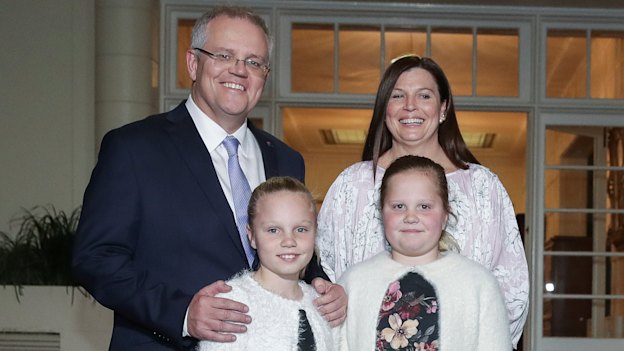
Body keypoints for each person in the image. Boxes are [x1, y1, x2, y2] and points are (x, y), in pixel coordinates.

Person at [72, 6, 345, 351]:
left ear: (264, 76)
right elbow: (95, 257)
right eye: (224, 55)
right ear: (192, 64)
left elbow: (290, 246)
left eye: (254, 62)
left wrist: (322, 284)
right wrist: (182, 314)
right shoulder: (134, 148)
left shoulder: (286, 159)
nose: (239, 70)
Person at [317, 55, 528, 347]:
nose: (410, 106)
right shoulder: (351, 186)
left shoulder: (483, 187)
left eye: (424, 95)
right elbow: (324, 278)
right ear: (384, 108)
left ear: (443, 108)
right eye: (398, 95)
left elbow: (511, 291)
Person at [338, 155, 511, 350]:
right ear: (381, 213)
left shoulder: (480, 284)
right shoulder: (353, 283)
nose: (410, 216)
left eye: (424, 206)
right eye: (398, 206)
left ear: (445, 215)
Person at [198, 176, 336, 351]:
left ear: (315, 232)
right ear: (252, 236)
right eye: (273, 230)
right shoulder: (232, 304)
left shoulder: (323, 305)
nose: (289, 240)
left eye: (301, 229)